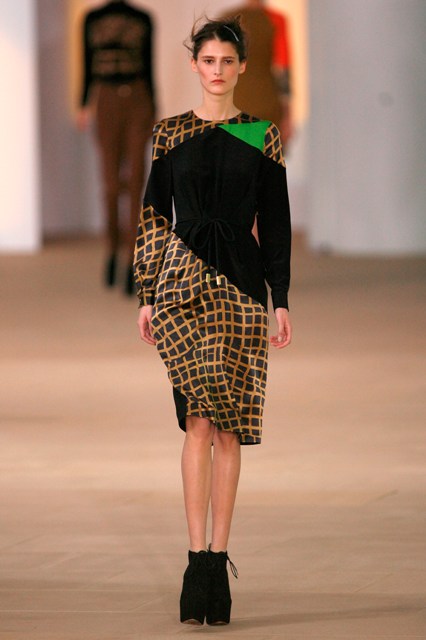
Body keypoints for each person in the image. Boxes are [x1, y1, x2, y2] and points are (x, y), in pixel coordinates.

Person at [134, 16, 292, 626]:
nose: (218, 70)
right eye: (208, 60)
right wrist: (147, 292)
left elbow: (274, 222)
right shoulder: (169, 133)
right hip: (181, 285)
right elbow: (154, 215)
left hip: (242, 289)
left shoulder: (262, 135)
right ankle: (195, 559)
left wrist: (280, 297)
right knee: (196, 421)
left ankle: (217, 564)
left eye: (228, 60)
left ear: (242, 66)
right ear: (194, 65)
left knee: (228, 427)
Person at [77, 0, 155, 295]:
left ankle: (133, 258)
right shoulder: (92, 19)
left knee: (136, 181)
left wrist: (154, 106)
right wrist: (84, 103)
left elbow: (149, 64)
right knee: (111, 182)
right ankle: (111, 248)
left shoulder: (143, 18)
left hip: (138, 97)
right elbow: (87, 62)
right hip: (106, 97)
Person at [222, 0, 293, 147]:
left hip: (236, 102)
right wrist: (287, 114)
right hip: (267, 102)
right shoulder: (275, 20)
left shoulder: (228, 19)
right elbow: (283, 67)